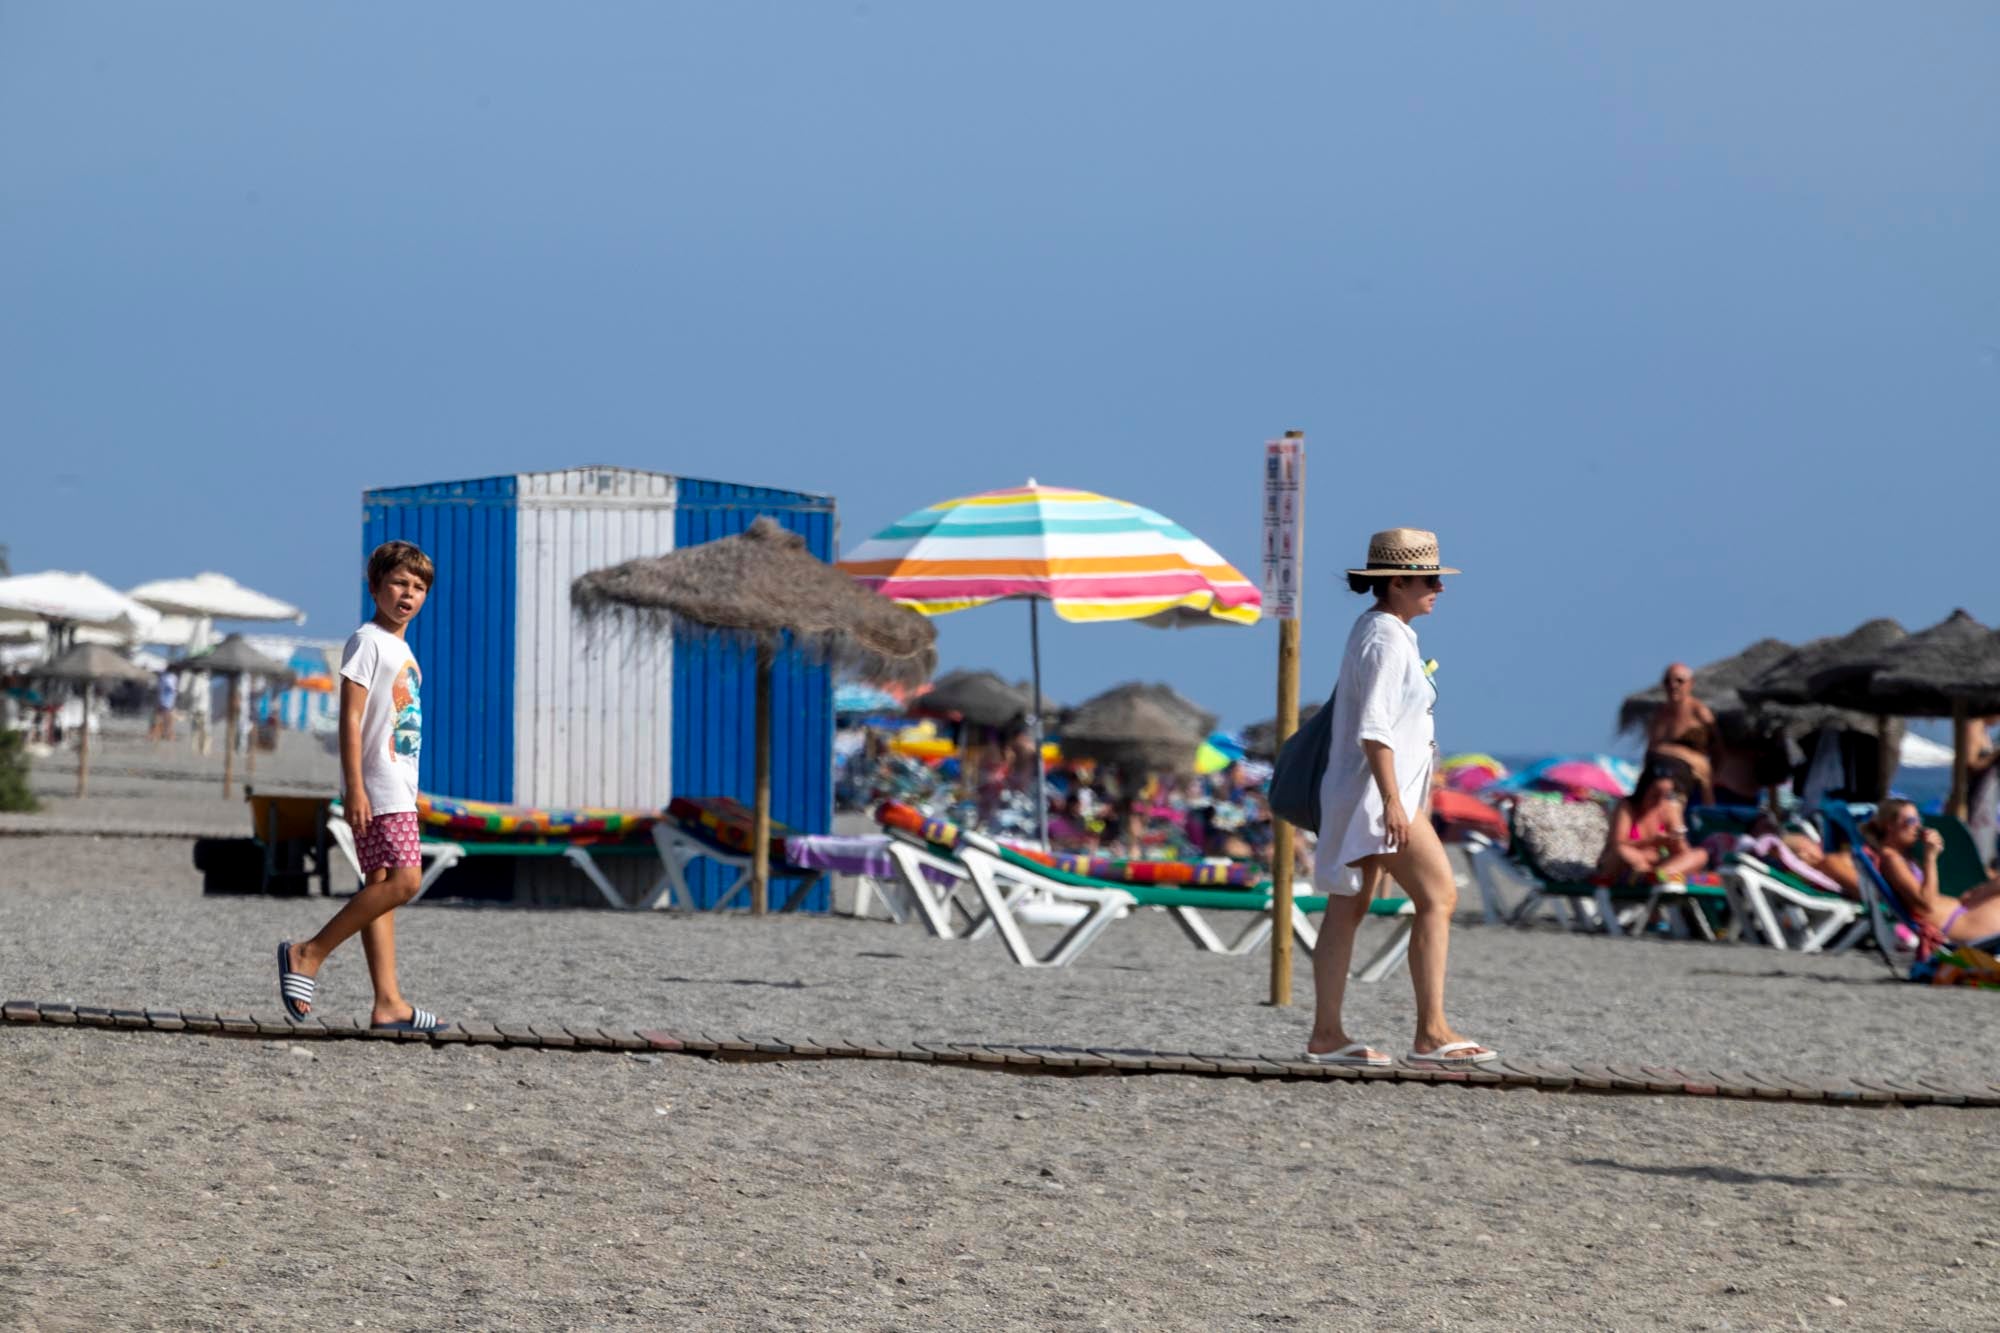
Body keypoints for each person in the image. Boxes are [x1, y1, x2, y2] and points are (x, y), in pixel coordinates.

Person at [1304, 528, 1496, 1068]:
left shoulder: (1383, 631)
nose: (1438, 587)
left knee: (1349, 907)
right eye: (1428, 578)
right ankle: (1431, 1031)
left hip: (1365, 792)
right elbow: (1374, 727)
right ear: (1396, 582)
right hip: (1374, 794)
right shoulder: (1385, 636)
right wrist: (1393, 799)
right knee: (1438, 897)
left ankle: (1327, 1033)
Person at [275, 541, 447, 1032]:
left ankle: (388, 1002)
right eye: (398, 583)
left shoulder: (403, 648)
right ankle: (309, 952)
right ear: (374, 588)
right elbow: (350, 718)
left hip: (399, 783)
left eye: (418, 587)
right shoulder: (368, 641)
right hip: (378, 783)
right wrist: (355, 786)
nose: (408, 594)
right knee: (404, 883)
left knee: (381, 886)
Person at [1866, 798, 2000, 945]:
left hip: (1962, 910)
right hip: (1955, 923)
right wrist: (1930, 856)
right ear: (1890, 826)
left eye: (1919, 820)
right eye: (1911, 821)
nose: (1918, 827)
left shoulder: (1904, 855)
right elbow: (1925, 905)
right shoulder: (1891, 858)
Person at [1598, 763, 1708, 885]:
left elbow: (1683, 851)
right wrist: (1652, 840)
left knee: (1700, 854)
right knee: (1623, 852)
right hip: (1628, 861)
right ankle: (1657, 876)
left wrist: (1676, 840)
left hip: (1655, 865)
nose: (1659, 801)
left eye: (1666, 795)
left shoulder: (1669, 808)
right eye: (1655, 795)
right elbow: (1618, 843)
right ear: (1644, 790)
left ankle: (1658, 876)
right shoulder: (1627, 806)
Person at [1644, 663, 1718, 805]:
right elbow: (1650, 749)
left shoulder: (1699, 713)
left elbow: (1718, 750)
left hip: (1692, 782)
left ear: (1690, 683)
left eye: (1679, 681)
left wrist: (1703, 770)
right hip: (1658, 779)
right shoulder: (1659, 715)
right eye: (1668, 681)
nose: (1673, 685)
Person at [148, 670, 177, 743]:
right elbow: (171, 689)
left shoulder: (168, 677)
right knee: (159, 720)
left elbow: (171, 689)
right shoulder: (165, 677)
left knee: (162, 720)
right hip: (164, 702)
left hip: (165, 703)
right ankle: (158, 735)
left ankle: (163, 735)